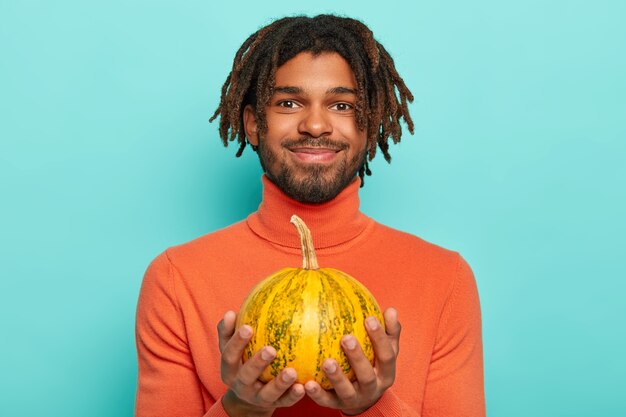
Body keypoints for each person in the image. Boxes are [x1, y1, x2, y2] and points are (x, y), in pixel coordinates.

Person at [135, 14, 485, 417]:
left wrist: (374, 406)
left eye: (341, 104)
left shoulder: (444, 279)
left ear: (368, 127)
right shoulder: (176, 279)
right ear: (252, 124)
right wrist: (238, 410)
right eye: (288, 102)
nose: (315, 125)